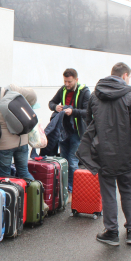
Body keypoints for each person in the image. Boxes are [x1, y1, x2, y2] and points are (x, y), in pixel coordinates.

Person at [76, 62, 131, 246]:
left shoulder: (96, 95)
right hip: (127, 154)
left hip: (103, 154)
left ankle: (111, 232)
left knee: (108, 194)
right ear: (125, 76)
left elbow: (89, 122)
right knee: (128, 192)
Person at [47, 68, 91, 202]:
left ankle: (72, 190)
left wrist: (73, 112)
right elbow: (51, 103)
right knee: (64, 162)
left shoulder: (85, 91)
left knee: (72, 162)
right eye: (65, 81)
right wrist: (56, 107)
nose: (66, 84)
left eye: (69, 81)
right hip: (63, 131)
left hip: (77, 133)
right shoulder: (63, 89)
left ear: (76, 80)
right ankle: (64, 189)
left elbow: (88, 112)